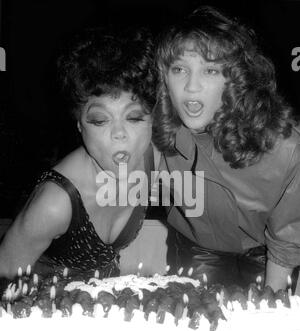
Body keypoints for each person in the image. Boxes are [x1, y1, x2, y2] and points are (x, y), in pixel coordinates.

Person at [153, 6, 300, 291]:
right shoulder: (156, 129)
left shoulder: (285, 146)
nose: (191, 86)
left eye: (210, 69)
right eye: (179, 69)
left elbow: (286, 241)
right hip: (196, 247)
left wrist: (271, 302)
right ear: (164, 76)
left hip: (266, 253)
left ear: (236, 77)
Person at [0, 26, 158, 284]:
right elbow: (3, 276)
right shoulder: (56, 204)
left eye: (134, 117)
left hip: (109, 305)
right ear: (79, 124)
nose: (120, 134)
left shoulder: (153, 156)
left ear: (153, 118)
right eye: (99, 120)